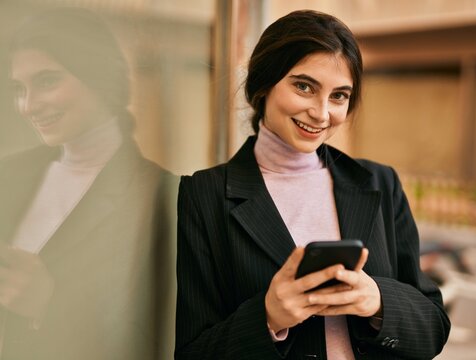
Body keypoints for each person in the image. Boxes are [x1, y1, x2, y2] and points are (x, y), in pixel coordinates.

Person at [176, 9, 450, 360]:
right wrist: (268, 317)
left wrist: (377, 301)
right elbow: (192, 352)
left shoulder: (381, 184)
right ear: (263, 85)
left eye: (339, 96)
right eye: (304, 86)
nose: (321, 114)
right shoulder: (205, 195)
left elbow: (433, 327)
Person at [0, 7, 176, 359]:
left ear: (99, 76)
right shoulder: (9, 173)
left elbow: (159, 339)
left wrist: (47, 305)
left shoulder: (159, 195)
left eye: (47, 81)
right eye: (20, 88)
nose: (28, 105)